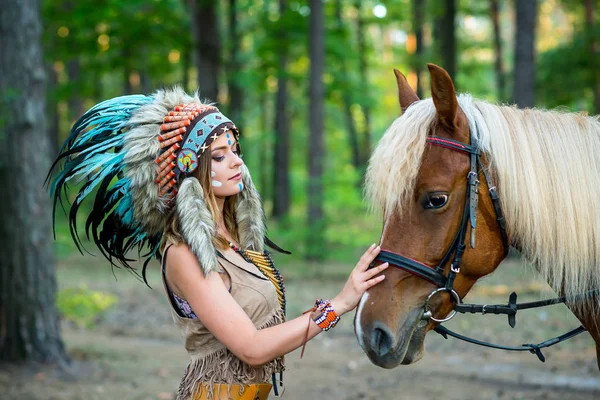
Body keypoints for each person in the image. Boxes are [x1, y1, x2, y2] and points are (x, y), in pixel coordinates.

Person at [48, 87, 389, 400]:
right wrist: (339, 305)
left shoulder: (234, 237)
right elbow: (252, 348)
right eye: (220, 156)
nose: (237, 161)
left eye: (235, 151)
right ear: (190, 169)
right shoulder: (183, 252)